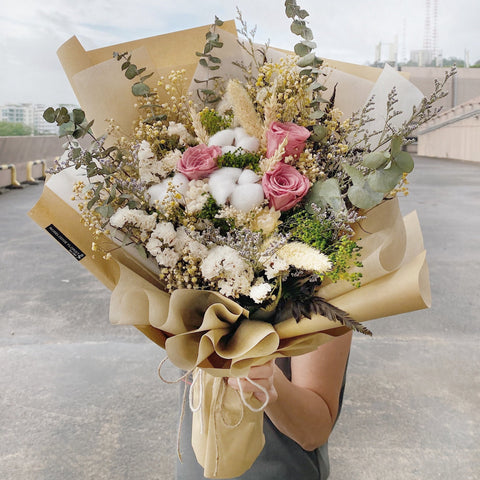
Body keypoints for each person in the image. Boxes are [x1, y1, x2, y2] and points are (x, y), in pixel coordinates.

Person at [176, 330, 352, 479]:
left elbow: (314, 432)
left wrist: (265, 377)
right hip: (196, 466)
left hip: (277, 470)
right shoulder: (188, 293)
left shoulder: (321, 298)